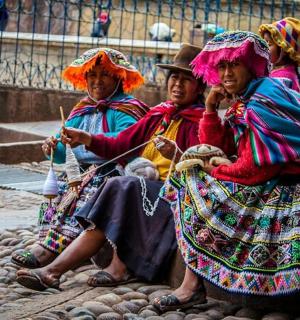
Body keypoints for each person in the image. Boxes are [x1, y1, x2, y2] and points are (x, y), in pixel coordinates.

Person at [15, 43, 207, 291]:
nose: (178, 85)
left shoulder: (202, 122)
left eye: (186, 79)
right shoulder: (159, 114)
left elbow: (199, 167)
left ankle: (115, 267)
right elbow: (121, 144)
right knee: (112, 189)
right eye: (174, 78)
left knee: (120, 184)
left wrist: (177, 155)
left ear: (200, 86)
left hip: (170, 195)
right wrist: (85, 138)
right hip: (143, 188)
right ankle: (51, 269)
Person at [154, 31, 300, 312]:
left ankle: (191, 287)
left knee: (191, 179)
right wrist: (210, 109)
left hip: (284, 185)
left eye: (234, 64)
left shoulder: (262, 101)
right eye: (221, 66)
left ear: (252, 66)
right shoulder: (246, 100)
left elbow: (255, 170)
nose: (227, 72)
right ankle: (192, 285)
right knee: (194, 175)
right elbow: (216, 144)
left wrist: (216, 169)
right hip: (269, 179)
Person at [11, 47, 148, 269]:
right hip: (80, 172)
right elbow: (64, 145)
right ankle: (46, 243)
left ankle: (52, 252)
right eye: (92, 75)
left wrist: (88, 138)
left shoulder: (128, 109)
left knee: (86, 192)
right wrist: (53, 146)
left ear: (118, 78)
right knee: (57, 194)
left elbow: (128, 142)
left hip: (111, 171)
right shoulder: (82, 109)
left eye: (104, 75)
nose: (97, 81)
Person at [259, 17, 300, 91]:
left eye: (269, 44)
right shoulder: (287, 72)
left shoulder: (282, 78)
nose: (264, 47)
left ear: (284, 49)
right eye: (264, 42)